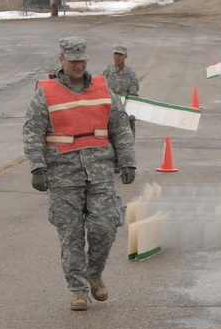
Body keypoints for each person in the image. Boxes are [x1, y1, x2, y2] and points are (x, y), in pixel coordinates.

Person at [23, 36, 137, 311]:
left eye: (82, 60)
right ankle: (77, 289)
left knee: (105, 225)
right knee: (71, 235)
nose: (78, 65)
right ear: (62, 60)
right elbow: (32, 132)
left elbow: (120, 126)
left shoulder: (101, 88)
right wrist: (37, 167)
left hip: (99, 172)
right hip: (62, 176)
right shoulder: (45, 92)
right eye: (73, 61)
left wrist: (128, 160)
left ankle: (94, 272)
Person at [102, 44, 140, 136]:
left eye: (120, 54)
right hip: (109, 116)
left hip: (125, 116)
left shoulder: (130, 74)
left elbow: (133, 96)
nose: (117, 57)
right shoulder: (106, 72)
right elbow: (101, 92)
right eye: (115, 54)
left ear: (126, 56)